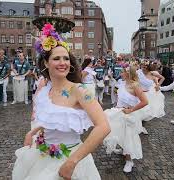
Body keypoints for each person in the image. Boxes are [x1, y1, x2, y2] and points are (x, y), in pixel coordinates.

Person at [12, 23, 110, 180]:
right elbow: (53, 120)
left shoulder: (79, 90)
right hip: (43, 154)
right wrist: (33, 132)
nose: (62, 62)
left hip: (71, 159)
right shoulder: (45, 89)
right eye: (56, 58)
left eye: (66, 58)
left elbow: (104, 127)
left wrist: (72, 162)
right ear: (46, 63)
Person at [103, 65, 149, 173]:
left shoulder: (135, 86)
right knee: (119, 133)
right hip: (119, 112)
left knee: (128, 137)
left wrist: (131, 110)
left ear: (128, 74)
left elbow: (145, 102)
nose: (120, 74)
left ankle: (129, 161)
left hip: (129, 115)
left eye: (122, 72)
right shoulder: (122, 83)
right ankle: (124, 149)